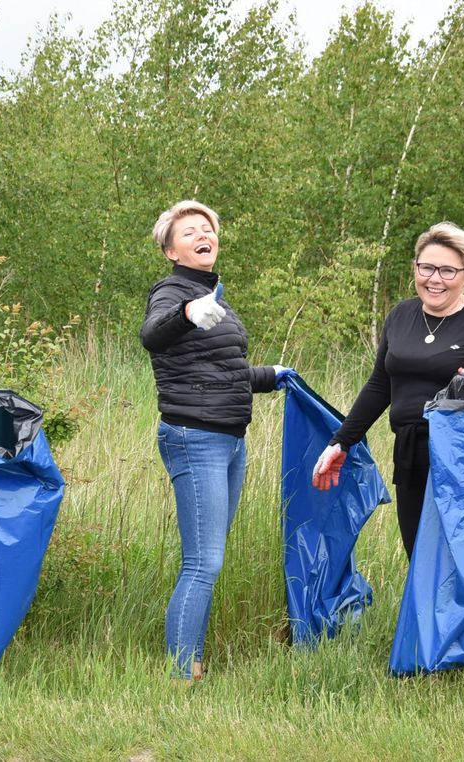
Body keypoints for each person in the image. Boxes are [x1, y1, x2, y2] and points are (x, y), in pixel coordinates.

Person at [311, 222, 464, 703]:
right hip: (412, 450)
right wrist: (342, 440)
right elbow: (379, 386)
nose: (435, 278)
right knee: (425, 558)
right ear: (414, 268)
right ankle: (449, 655)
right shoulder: (401, 317)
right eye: (426, 267)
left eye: (447, 270)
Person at [140, 200, 282, 684]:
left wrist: (272, 376)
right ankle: (182, 673)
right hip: (194, 437)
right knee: (203, 561)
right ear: (170, 250)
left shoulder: (213, 294)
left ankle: (193, 663)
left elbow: (224, 371)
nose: (203, 234)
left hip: (228, 439)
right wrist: (185, 312)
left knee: (209, 558)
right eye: (190, 231)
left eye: (208, 229)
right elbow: (153, 335)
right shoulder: (172, 292)